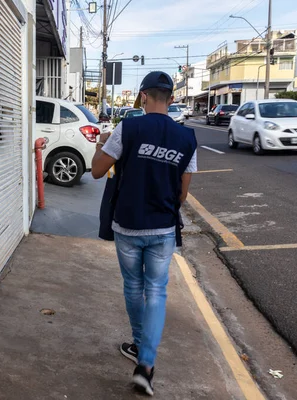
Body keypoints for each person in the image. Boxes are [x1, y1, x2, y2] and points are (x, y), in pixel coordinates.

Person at [91, 71, 197, 396]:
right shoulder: (187, 138)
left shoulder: (129, 128)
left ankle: (139, 346)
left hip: (127, 224)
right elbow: (183, 194)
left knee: (134, 287)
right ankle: (146, 365)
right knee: (157, 291)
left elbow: (96, 171)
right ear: (172, 99)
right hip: (163, 227)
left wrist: (101, 143)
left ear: (143, 97)